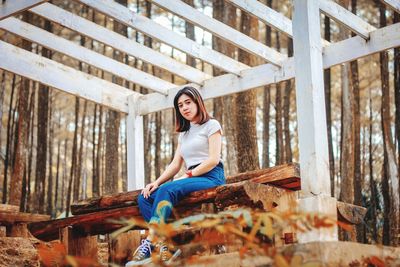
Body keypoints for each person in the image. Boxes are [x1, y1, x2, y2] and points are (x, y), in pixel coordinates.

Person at [126, 86, 225, 266]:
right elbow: (174, 164)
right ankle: (167, 244)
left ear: (197, 102)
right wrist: (155, 183)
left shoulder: (212, 125)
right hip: (193, 177)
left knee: (169, 188)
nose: (185, 108)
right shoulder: (185, 134)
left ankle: (151, 241)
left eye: (188, 102)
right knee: (145, 197)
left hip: (211, 176)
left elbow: (213, 160)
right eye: (180, 105)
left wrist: (187, 175)